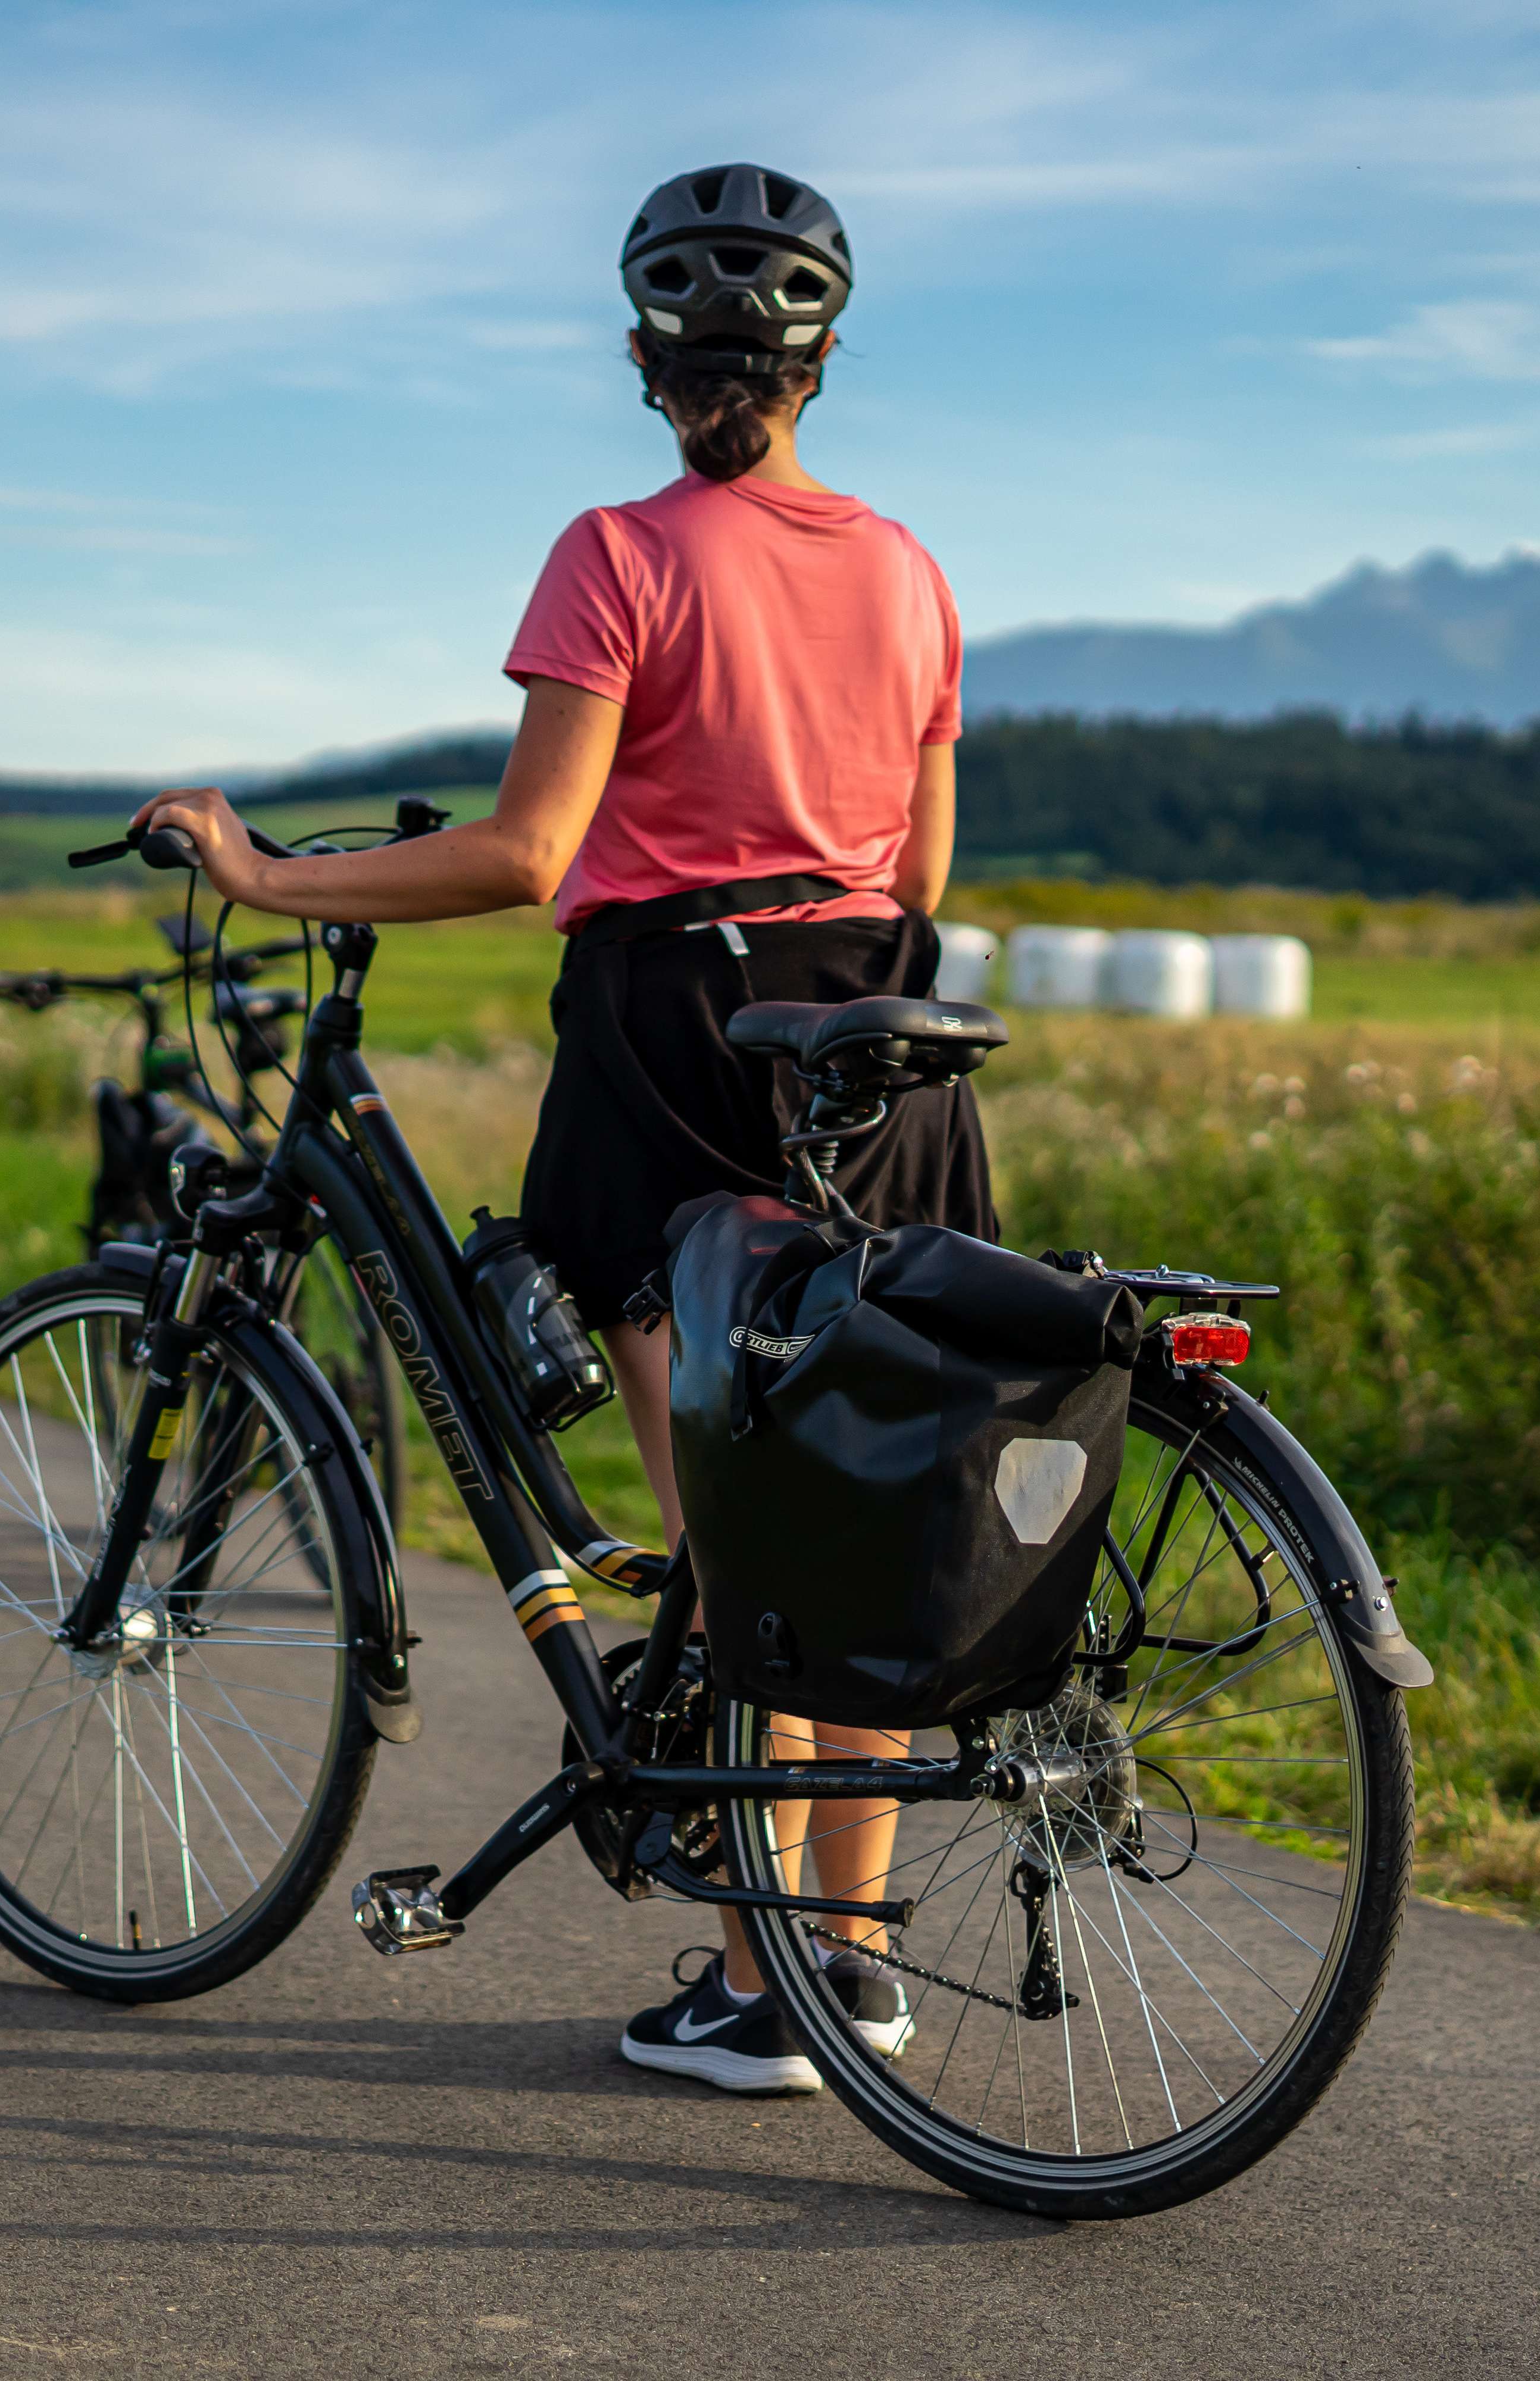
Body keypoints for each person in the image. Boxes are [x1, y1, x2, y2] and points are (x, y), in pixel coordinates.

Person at [130, 161, 984, 2095]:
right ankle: (848, 1969)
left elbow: (531, 851)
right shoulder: (912, 572)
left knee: (728, 1538)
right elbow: (923, 869)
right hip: (877, 1035)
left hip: (680, 1040)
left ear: (644, 364)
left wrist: (263, 876)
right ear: (820, 365)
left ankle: (764, 1993)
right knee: (847, 1523)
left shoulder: (619, 552)